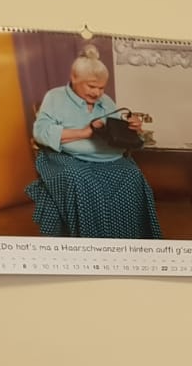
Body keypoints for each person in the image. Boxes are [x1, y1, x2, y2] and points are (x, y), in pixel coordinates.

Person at [27, 45, 162, 239]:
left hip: (106, 157)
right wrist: (83, 132)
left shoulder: (105, 100)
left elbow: (116, 133)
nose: (97, 93)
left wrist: (131, 128)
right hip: (67, 157)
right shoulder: (55, 97)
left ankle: (129, 240)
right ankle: (93, 243)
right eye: (91, 86)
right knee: (80, 180)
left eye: (101, 88)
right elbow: (40, 132)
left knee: (133, 174)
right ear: (74, 78)